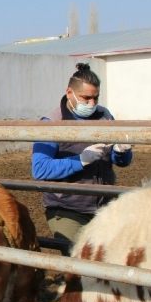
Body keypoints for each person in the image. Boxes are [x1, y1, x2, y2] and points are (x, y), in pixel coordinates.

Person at [31, 63, 133, 254]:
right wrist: (81, 160)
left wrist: (121, 152)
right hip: (67, 208)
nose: (92, 104)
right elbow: (40, 169)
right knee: (77, 257)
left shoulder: (104, 116)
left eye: (95, 98)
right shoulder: (52, 122)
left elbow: (120, 161)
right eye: (86, 98)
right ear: (70, 93)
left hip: (104, 205)